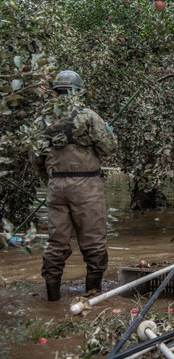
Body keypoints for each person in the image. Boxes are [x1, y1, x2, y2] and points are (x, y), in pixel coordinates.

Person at [31, 70, 117, 301]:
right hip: (86, 185)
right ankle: (92, 297)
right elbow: (109, 147)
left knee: (56, 243)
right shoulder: (87, 116)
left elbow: (35, 159)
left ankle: (52, 300)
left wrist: (51, 177)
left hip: (56, 186)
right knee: (94, 242)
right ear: (77, 92)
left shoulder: (42, 120)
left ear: (56, 92)